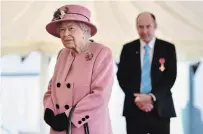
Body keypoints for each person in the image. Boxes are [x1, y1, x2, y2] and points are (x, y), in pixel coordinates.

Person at [43, 4, 114, 134]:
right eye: (62, 29)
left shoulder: (101, 53)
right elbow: (51, 88)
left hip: (86, 128)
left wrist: (69, 116)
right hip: (59, 128)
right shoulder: (62, 54)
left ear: (85, 30)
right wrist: (49, 109)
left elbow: (100, 96)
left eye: (71, 28)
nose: (65, 34)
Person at [117, 12, 177, 134]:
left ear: (155, 26)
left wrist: (151, 97)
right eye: (141, 27)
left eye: (148, 26)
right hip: (134, 108)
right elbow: (122, 77)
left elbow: (170, 77)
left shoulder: (168, 48)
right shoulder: (128, 49)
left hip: (160, 109)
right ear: (136, 27)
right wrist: (139, 98)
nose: (144, 31)